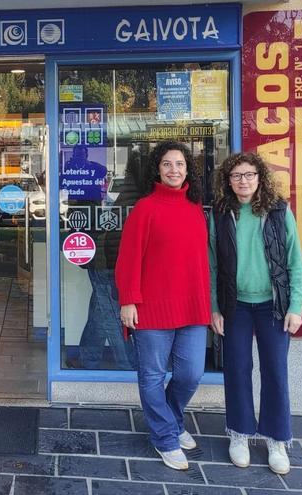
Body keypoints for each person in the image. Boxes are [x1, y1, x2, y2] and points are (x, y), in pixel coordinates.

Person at [115, 141, 213, 470]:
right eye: (167, 164)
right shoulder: (145, 208)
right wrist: (128, 300)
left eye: (180, 164)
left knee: (191, 373)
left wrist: (209, 305)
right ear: (158, 168)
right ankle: (165, 437)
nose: (174, 170)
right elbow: (128, 259)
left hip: (192, 308)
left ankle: (170, 420)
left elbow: (201, 262)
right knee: (152, 377)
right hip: (152, 308)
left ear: (188, 169)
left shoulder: (195, 207)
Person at [210, 152, 302, 475]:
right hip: (235, 305)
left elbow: (295, 260)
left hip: (272, 305)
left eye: (249, 174)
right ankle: (240, 434)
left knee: (275, 371)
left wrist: (296, 306)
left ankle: (276, 439)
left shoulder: (279, 211)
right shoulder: (222, 212)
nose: (243, 181)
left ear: (260, 176)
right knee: (236, 368)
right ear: (228, 180)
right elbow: (213, 264)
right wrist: (215, 306)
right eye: (236, 175)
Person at [74, 151, 143, 370]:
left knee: (105, 313)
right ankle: (126, 365)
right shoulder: (137, 194)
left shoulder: (127, 194)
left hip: (106, 262)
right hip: (109, 263)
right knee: (109, 314)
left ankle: (91, 359)